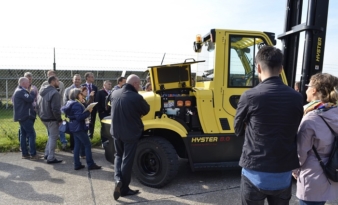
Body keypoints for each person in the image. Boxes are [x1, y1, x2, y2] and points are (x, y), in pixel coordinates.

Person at [234, 46, 304, 205]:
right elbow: (296, 126)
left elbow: (237, 129)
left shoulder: (250, 95)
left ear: (258, 67)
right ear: (281, 69)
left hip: (254, 171)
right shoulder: (296, 97)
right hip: (283, 172)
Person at [292, 73, 338, 205]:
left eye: (307, 86)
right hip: (331, 173)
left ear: (314, 90)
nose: (305, 89)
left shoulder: (311, 118)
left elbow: (301, 152)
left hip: (312, 177)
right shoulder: (335, 112)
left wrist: (294, 170)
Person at [110, 74, 150, 200]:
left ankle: (117, 180)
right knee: (127, 160)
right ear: (135, 84)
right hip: (130, 133)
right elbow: (146, 109)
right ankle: (124, 189)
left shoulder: (114, 93)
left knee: (118, 155)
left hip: (116, 132)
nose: (140, 86)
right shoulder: (136, 97)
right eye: (139, 84)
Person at [61, 88, 102, 171]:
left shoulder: (70, 102)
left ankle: (77, 164)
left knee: (77, 145)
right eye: (81, 94)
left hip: (74, 127)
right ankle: (90, 164)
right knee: (87, 145)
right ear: (77, 95)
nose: (82, 95)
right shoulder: (76, 104)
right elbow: (79, 117)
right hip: (79, 127)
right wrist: (88, 111)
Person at [37, 76, 63, 164]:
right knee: (53, 137)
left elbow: (37, 105)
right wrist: (59, 120)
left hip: (44, 117)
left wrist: (40, 116)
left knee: (51, 136)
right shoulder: (54, 93)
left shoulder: (42, 91)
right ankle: (51, 157)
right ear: (53, 82)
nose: (58, 82)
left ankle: (47, 153)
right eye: (57, 81)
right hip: (51, 118)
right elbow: (55, 109)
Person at [41, 70, 67, 150]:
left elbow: (62, 96)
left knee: (61, 125)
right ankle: (51, 150)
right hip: (49, 110)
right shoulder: (44, 85)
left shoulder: (61, 84)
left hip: (57, 107)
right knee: (52, 130)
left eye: (52, 74)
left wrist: (62, 107)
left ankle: (63, 142)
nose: (50, 76)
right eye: (49, 75)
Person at [13, 77, 38, 160]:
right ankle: (33, 154)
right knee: (31, 134)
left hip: (22, 116)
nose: (29, 84)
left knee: (23, 134)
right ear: (23, 83)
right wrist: (33, 92)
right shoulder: (21, 91)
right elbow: (30, 99)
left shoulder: (20, 91)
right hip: (25, 116)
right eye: (28, 82)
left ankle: (25, 153)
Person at [63, 74, 82, 151]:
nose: (77, 80)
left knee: (81, 130)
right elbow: (65, 102)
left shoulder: (83, 89)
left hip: (81, 114)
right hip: (72, 114)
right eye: (76, 79)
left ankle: (80, 147)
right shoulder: (68, 89)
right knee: (73, 131)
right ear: (72, 80)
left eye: (78, 79)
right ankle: (73, 147)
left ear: (81, 80)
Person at [81, 72, 98, 139]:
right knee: (86, 121)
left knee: (92, 122)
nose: (93, 78)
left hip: (93, 107)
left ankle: (91, 136)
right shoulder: (82, 86)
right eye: (91, 77)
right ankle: (84, 135)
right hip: (85, 107)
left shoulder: (95, 87)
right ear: (87, 78)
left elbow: (96, 97)